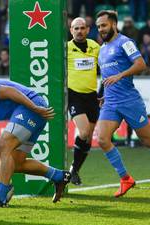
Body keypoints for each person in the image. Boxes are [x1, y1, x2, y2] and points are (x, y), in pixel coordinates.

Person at [95, 10, 150, 198]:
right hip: (111, 102)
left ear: (114, 25)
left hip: (130, 101)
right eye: (99, 26)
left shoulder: (125, 42)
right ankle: (125, 179)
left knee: (147, 141)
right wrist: (105, 95)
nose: (101, 29)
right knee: (102, 139)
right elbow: (108, 77)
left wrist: (120, 75)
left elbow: (141, 65)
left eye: (104, 25)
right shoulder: (102, 50)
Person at [67, 17, 101, 186]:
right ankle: (73, 170)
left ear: (87, 29)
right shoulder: (66, 49)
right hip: (74, 96)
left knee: (88, 139)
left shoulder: (95, 47)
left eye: (82, 28)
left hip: (92, 97)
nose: (79, 31)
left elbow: (105, 69)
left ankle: (74, 170)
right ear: (71, 30)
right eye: (76, 28)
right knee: (84, 131)